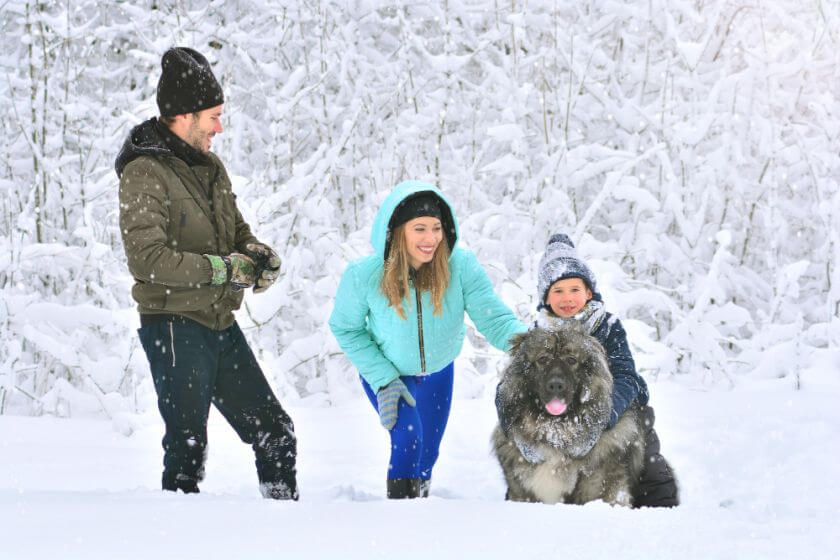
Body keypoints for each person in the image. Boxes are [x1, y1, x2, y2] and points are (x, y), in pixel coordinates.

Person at [114, 47, 297, 500]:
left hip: (219, 324)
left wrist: (255, 255)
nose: (220, 127)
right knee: (186, 452)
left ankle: (288, 533)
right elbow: (148, 260)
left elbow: (235, 231)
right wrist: (222, 270)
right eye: (213, 117)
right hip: (174, 326)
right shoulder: (144, 173)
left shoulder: (211, 167)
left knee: (277, 433)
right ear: (185, 115)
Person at [329, 181, 527, 499]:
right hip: (388, 374)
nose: (430, 238)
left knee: (427, 456)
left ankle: (418, 516)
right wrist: (383, 379)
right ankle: (401, 517)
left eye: (436, 228)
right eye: (419, 228)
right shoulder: (364, 275)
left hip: (438, 374)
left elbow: (494, 318)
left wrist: (531, 346)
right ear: (397, 231)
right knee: (409, 439)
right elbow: (346, 328)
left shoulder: (459, 267)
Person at [497, 233, 679, 507]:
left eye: (574, 290)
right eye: (557, 291)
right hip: (557, 415)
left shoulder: (606, 327)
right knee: (512, 453)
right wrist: (511, 426)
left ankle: (662, 509)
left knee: (648, 464)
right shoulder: (537, 335)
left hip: (618, 407)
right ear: (546, 298)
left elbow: (627, 377)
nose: (567, 298)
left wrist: (603, 417)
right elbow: (510, 387)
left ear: (589, 292)